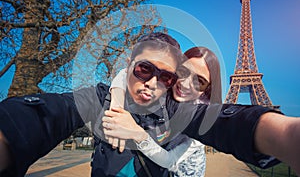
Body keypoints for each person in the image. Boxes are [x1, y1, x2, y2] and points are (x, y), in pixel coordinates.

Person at [0, 32, 299, 176]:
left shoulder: (178, 110)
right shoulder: (103, 97)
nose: (153, 82)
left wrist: (284, 135)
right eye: (144, 69)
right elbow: (57, 111)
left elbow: (222, 120)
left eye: (166, 76)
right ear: (129, 66)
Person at [106, 46, 220, 176]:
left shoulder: (202, 119)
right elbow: (126, 73)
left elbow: (170, 161)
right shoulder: (167, 87)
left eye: (199, 82)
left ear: (207, 89)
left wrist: (138, 134)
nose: (185, 84)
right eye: (183, 72)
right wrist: (117, 106)